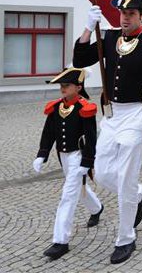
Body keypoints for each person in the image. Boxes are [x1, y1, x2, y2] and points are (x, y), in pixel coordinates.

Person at [73, 0, 142, 264]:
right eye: (122, 13)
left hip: (137, 115)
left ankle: (125, 238)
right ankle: (138, 193)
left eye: (131, 14)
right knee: (104, 172)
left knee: (127, 177)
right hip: (111, 115)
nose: (124, 18)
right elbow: (79, 60)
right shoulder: (107, 37)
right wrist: (87, 27)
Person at [33, 67, 103, 260]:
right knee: (79, 188)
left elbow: (91, 138)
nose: (63, 89)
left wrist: (88, 161)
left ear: (78, 87)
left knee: (68, 195)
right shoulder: (56, 107)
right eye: (61, 86)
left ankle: (60, 241)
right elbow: (48, 133)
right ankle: (97, 208)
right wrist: (42, 154)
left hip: (78, 156)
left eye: (67, 85)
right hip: (63, 156)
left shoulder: (85, 108)